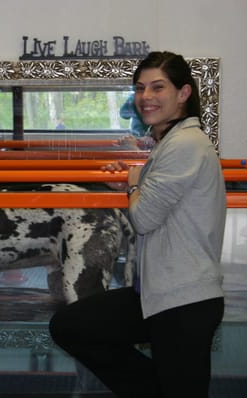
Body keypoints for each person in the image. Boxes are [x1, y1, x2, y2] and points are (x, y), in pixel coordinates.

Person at [49, 51, 226, 397]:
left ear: (184, 93)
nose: (146, 97)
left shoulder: (186, 144)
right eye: (140, 88)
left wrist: (132, 182)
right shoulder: (171, 143)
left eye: (158, 87)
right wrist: (134, 179)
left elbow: (143, 218)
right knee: (71, 327)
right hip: (158, 295)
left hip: (184, 300)